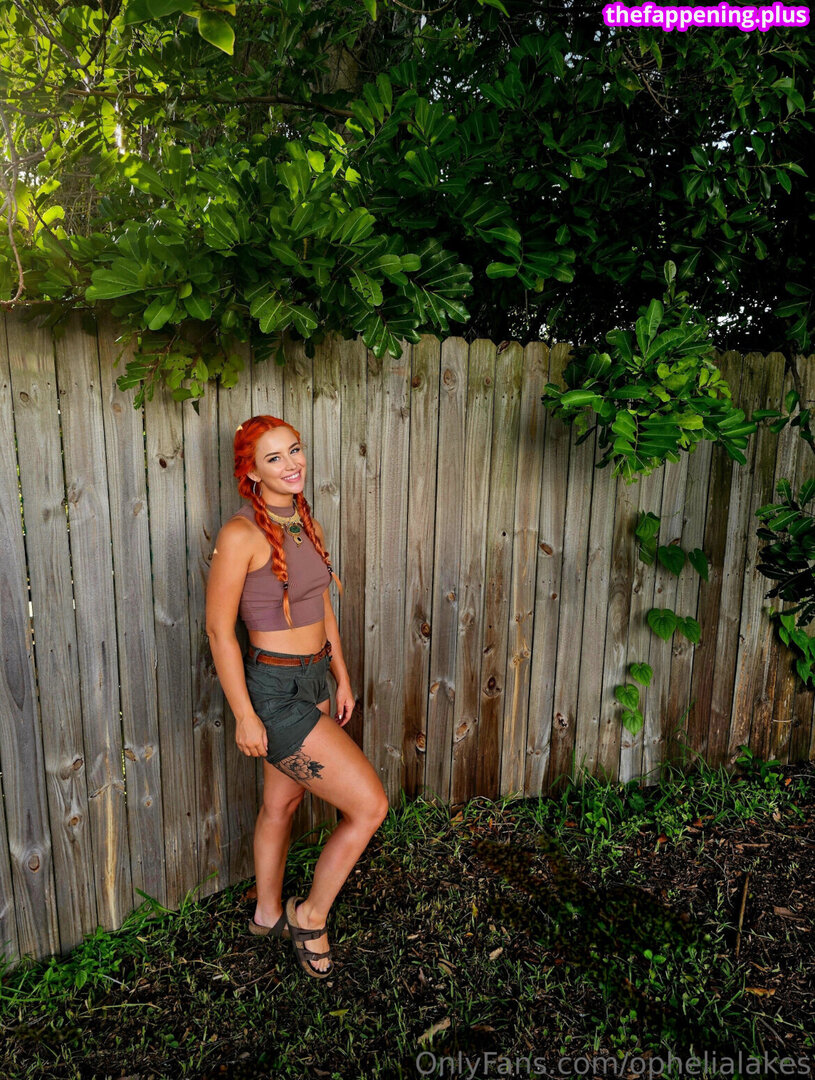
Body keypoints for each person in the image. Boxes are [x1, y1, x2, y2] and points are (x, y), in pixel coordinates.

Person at [205, 415, 389, 979]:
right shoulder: (241, 535)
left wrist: (340, 674)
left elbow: (320, 604)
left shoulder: (306, 520)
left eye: (295, 450)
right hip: (274, 693)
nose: (292, 464)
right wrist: (244, 715)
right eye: (274, 458)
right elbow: (219, 631)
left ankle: (266, 915)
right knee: (370, 807)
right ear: (251, 473)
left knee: (281, 804)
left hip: (312, 682)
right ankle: (309, 916)